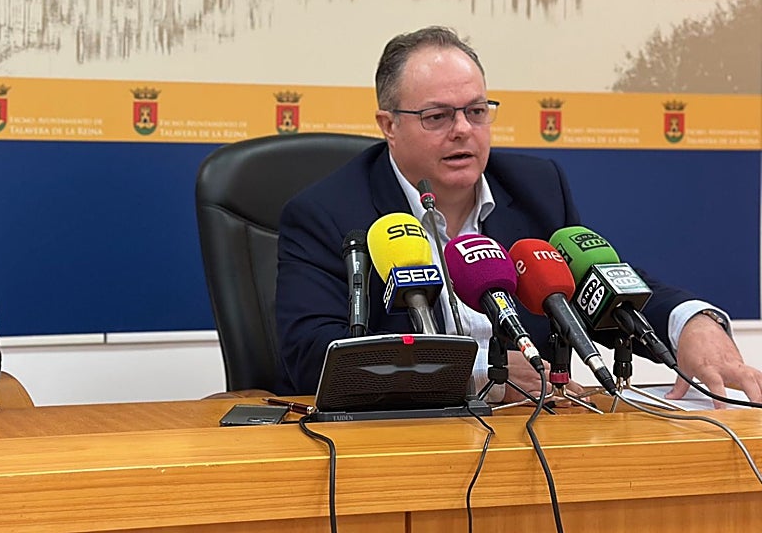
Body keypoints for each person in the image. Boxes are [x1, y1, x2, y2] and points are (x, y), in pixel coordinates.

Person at [276, 26, 762, 405]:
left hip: (535, 439)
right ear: (389, 127)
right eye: (437, 117)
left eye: (477, 111)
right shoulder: (328, 214)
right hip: (404, 444)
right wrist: (485, 379)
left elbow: (602, 288)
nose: (463, 130)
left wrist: (690, 323)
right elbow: (313, 356)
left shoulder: (535, 189)